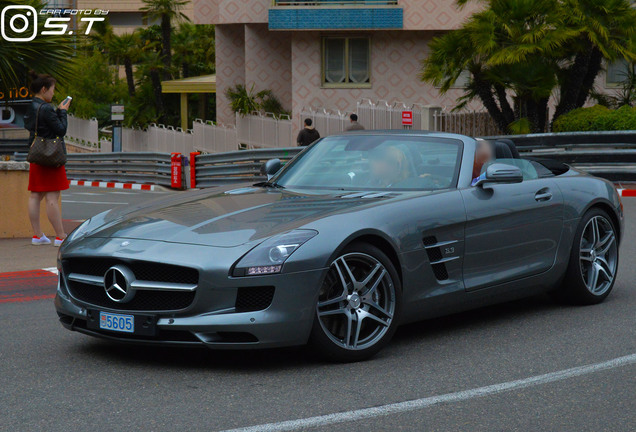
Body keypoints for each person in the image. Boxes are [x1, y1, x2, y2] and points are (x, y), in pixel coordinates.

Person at [24, 71, 71, 246]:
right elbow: (61, 130)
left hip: (36, 154)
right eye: (52, 89)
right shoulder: (46, 108)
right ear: (44, 89)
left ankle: (37, 235)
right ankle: (60, 236)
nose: (53, 93)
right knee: (52, 197)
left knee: (35, 195)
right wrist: (62, 111)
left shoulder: (31, 106)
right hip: (51, 156)